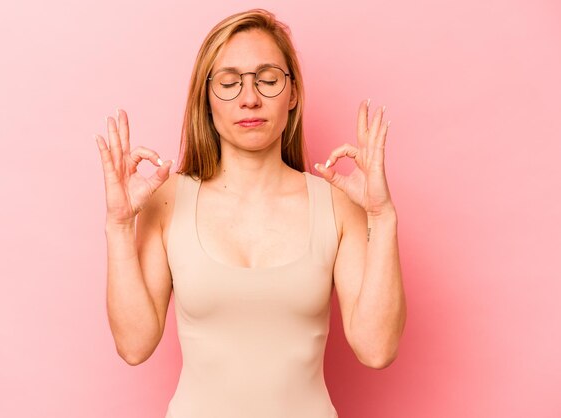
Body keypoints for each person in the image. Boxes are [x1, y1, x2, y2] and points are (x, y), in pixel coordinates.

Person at [95, 8, 406, 418]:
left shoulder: (336, 203)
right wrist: (119, 226)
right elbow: (134, 346)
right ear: (206, 98)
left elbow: (376, 348)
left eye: (268, 79)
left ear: (292, 93)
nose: (249, 97)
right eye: (228, 82)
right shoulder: (167, 201)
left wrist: (382, 218)